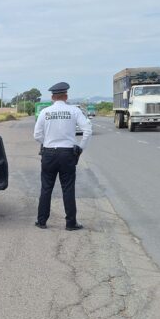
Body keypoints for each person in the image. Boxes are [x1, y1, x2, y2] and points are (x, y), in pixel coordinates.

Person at [33, 82, 92, 231]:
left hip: (49, 153)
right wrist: (80, 147)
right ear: (66, 96)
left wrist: (46, 142)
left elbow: (36, 135)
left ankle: (41, 221)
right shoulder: (74, 111)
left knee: (46, 188)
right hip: (67, 154)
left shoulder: (45, 112)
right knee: (68, 188)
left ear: (52, 97)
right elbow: (87, 130)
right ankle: (71, 223)